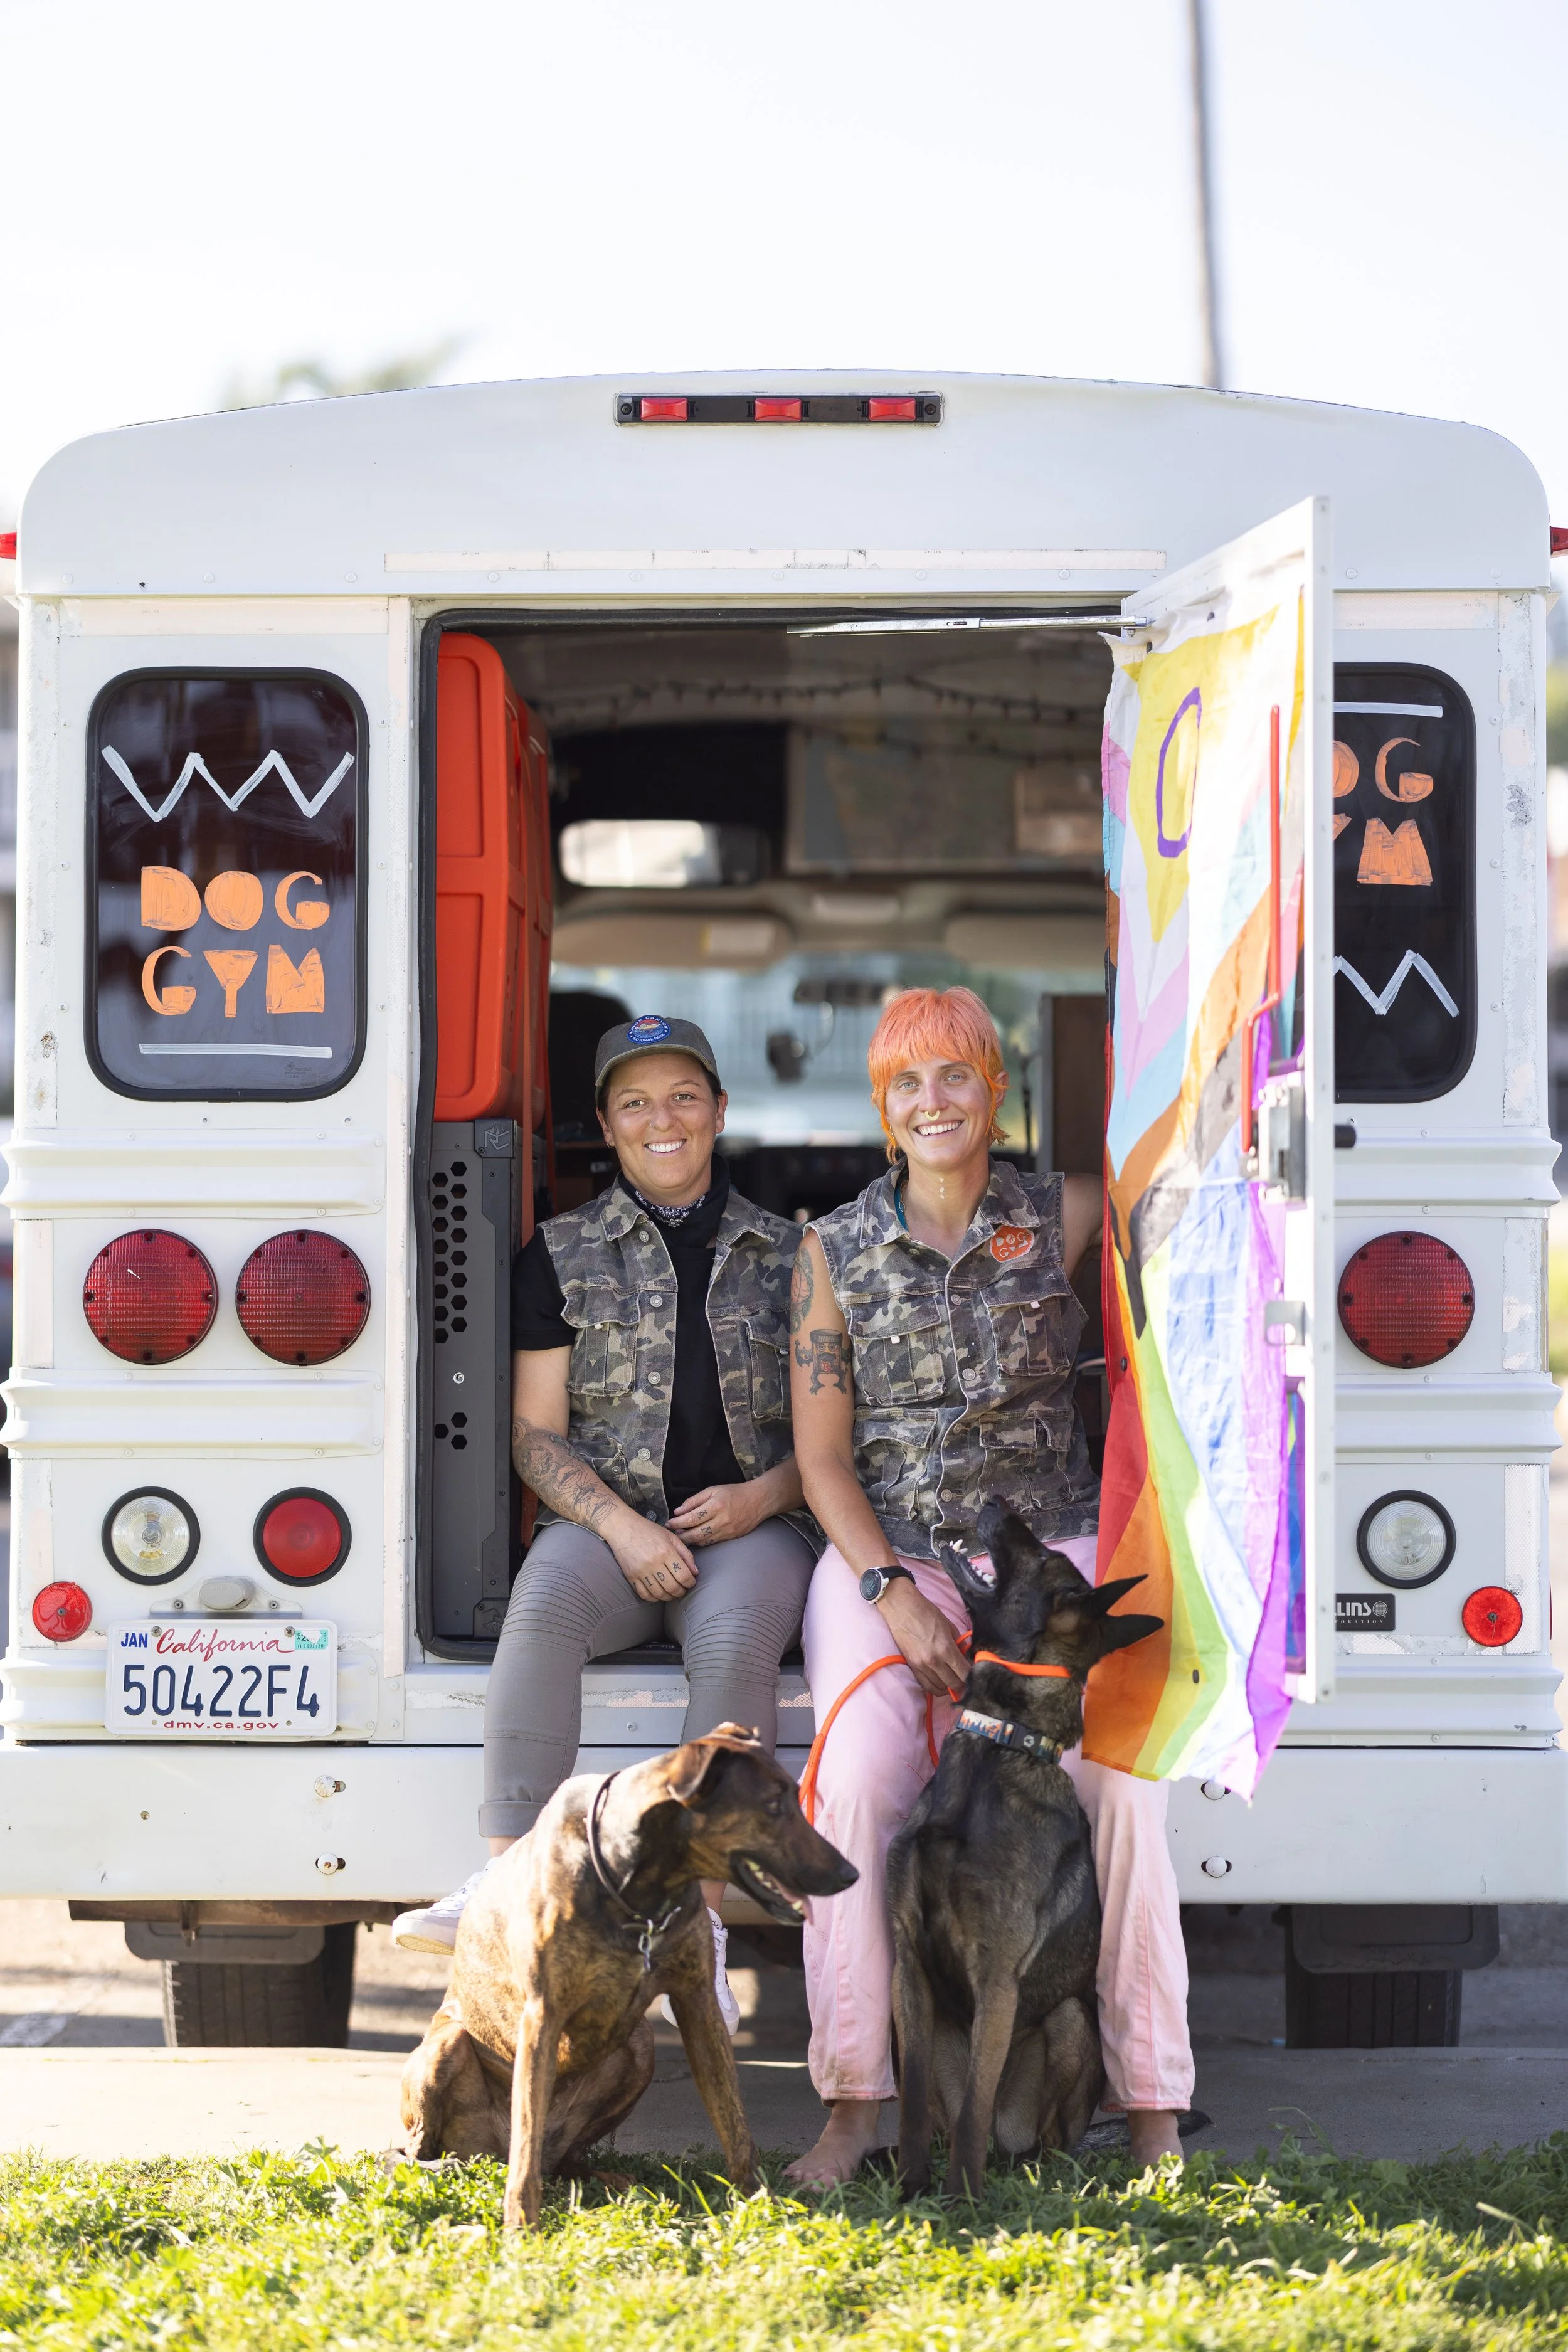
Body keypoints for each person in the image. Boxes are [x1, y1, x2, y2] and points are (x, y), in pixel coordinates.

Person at [783, 985, 1193, 2186]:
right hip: (895, 1551)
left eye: (955, 1074)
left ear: (994, 1090)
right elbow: (821, 1457)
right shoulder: (832, 1248)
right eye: (907, 1083)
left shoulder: (1064, 1210)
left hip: (1049, 1553)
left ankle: (1153, 2106)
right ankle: (856, 2102)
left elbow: (1188, 1212)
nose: (934, 1101)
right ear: (884, 1107)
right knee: (861, 1778)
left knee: (1120, 1788)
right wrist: (888, 1590)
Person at [395, 1015, 817, 2028]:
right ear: (605, 1122)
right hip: (609, 1530)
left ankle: (698, 1937)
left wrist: (760, 1499)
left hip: (753, 1528)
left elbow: (837, 1436)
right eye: (635, 1102)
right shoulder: (562, 1254)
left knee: (735, 1642)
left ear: (720, 1109)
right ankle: (507, 1891)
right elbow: (534, 1435)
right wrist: (623, 1528)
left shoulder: (796, 1254)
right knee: (542, 1604)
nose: (661, 1119)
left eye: (683, 1096)